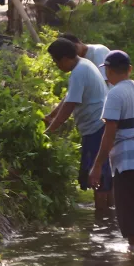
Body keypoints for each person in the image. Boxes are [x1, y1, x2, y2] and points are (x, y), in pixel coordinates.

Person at [89, 50, 134, 258]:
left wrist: (97, 166)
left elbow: (109, 134)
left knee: (132, 212)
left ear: (110, 71)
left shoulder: (114, 95)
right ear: (129, 70)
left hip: (125, 161)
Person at [44, 39, 113, 212]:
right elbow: (69, 97)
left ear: (65, 58)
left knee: (98, 176)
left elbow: (70, 105)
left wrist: (50, 131)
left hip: (96, 128)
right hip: (100, 126)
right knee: (103, 171)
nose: (56, 65)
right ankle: (110, 212)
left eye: (56, 61)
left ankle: (102, 218)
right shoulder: (84, 64)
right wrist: (51, 116)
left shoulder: (79, 72)